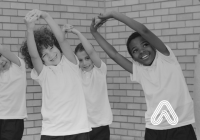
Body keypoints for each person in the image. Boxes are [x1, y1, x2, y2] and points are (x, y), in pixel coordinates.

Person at [90, 11, 197, 140]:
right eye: (135, 51)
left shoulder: (166, 58)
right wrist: (94, 32)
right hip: (155, 129)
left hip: (181, 127)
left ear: (153, 45)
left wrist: (114, 14)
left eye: (145, 44)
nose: (142, 51)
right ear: (133, 58)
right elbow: (114, 55)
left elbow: (144, 31)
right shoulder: (139, 71)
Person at [20, 9, 91, 140]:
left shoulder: (71, 63)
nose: (51, 55)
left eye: (51, 48)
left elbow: (62, 39)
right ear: (42, 60)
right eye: (44, 55)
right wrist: (29, 30)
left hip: (78, 129)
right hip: (52, 131)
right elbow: (34, 55)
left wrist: (46, 16)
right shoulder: (44, 73)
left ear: (58, 46)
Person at [64, 24, 113, 140]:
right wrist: (63, 35)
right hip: (83, 125)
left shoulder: (100, 70)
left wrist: (78, 33)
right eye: (80, 60)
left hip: (101, 125)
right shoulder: (77, 73)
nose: (84, 63)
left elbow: (91, 51)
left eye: (87, 58)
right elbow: (66, 53)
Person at [0, 44, 27, 140]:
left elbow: (2, 48)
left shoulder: (18, 65)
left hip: (13, 120)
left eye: (0, 56)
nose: (1, 62)